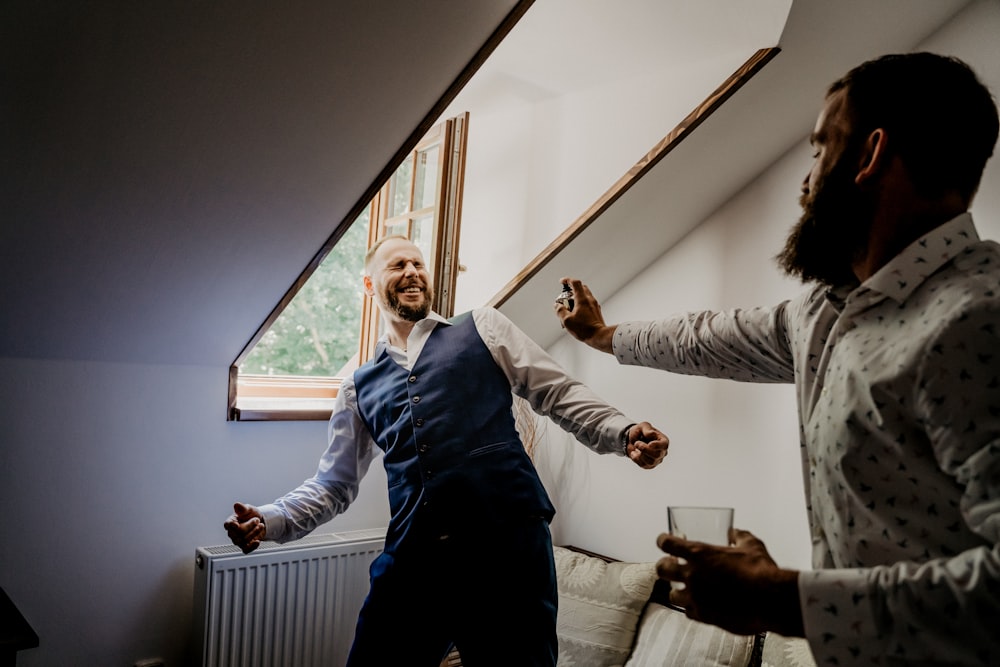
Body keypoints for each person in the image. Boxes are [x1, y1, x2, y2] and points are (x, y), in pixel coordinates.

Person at [555, 52, 1000, 665]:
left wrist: (783, 599)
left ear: (869, 157)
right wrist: (602, 336)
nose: (806, 180)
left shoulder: (979, 319)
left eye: (821, 149)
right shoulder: (826, 312)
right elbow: (705, 337)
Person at [225, 235, 670, 667]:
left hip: (509, 551)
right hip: (413, 562)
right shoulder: (355, 389)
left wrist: (621, 430)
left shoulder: (484, 326)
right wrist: (271, 519)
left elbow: (556, 392)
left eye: (418, 264)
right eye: (398, 265)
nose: (412, 272)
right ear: (368, 285)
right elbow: (334, 485)